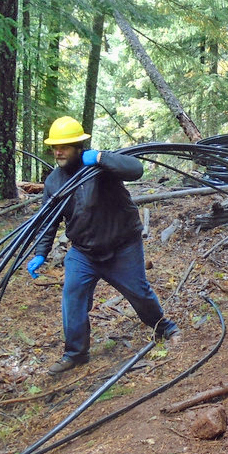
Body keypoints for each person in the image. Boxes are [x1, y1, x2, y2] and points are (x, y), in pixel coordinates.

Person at [27, 116, 179, 374]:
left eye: (64, 146)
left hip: (122, 245)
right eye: (55, 147)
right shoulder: (54, 181)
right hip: (83, 252)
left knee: (139, 292)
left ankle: (165, 328)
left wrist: (101, 159)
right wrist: (41, 253)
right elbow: (48, 221)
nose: (58, 151)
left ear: (79, 146)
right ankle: (75, 354)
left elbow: (135, 169)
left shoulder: (100, 166)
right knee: (72, 297)